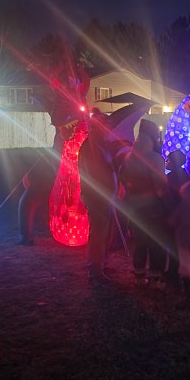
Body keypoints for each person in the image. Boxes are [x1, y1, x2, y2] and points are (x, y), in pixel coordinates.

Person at [118, 120, 168, 287]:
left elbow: (123, 179)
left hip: (134, 206)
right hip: (153, 206)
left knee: (140, 241)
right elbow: (160, 185)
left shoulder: (128, 157)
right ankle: (154, 276)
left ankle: (139, 273)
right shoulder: (154, 158)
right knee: (155, 241)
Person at [78, 114, 117, 283]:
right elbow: (96, 173)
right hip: (97, 196)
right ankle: (95, 269)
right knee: (98, 233)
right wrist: (106, 189)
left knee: (105, 232)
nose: (109, 127)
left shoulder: (103, 143)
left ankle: (100, 263)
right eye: (106, 124)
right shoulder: (90, 146)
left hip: (106, 195)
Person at [164, 149, 190, 284]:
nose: (166, 162)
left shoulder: (172, 178)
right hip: (183, 214)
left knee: (174, 244)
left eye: (168, 160)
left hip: (174, 213)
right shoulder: (185, 176)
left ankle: (173, 272)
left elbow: (169, 197)